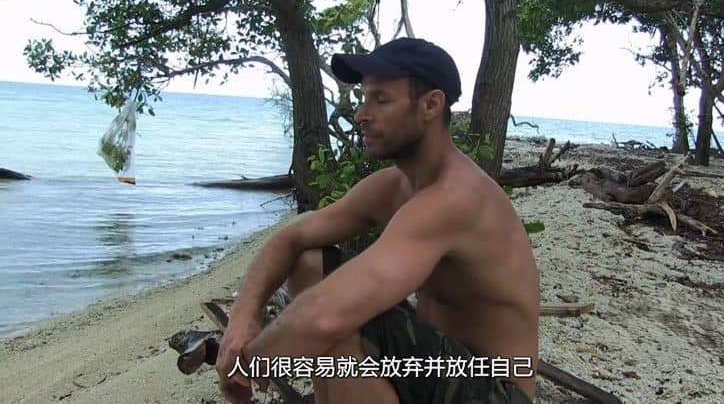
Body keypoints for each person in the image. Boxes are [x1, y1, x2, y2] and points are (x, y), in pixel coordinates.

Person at [215, 38, 539, 404]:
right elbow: (290, 239)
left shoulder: (456, 198)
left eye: (381, 100)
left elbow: (325, 317)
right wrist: (243, 317)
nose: (361, 115)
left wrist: (248, 363)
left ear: (431, 105)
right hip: (430, 373)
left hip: (494, 389)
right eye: (363, 98)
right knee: (310, 262)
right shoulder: (391, 187)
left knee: (340, 320)